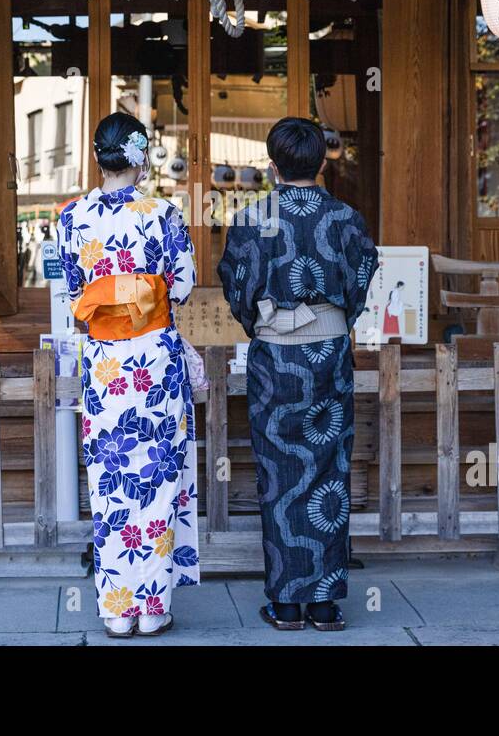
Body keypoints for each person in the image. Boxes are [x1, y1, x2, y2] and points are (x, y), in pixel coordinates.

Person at [217, 117, 378, 632]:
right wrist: (335, 320)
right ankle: (326, 605)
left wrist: (262, 323)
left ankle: (286, 603)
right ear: (324, 161)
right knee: (329, 468)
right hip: (329, 355)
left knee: (278, 474)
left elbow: (236, 286)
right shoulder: (347, 219)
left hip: (275, 361)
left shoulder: (250, 219)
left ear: (271, 165)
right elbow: (361, 278)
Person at [58, 112, 199, 639]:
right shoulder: (164, 213)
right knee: (158, 480)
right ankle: (154, 605)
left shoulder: (71, 217)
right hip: (155, 359)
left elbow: (75, 291)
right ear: (140, 156)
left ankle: (117, 609)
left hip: (105, 360)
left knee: (112, 482)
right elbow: (181, 286)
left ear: (98, 157)